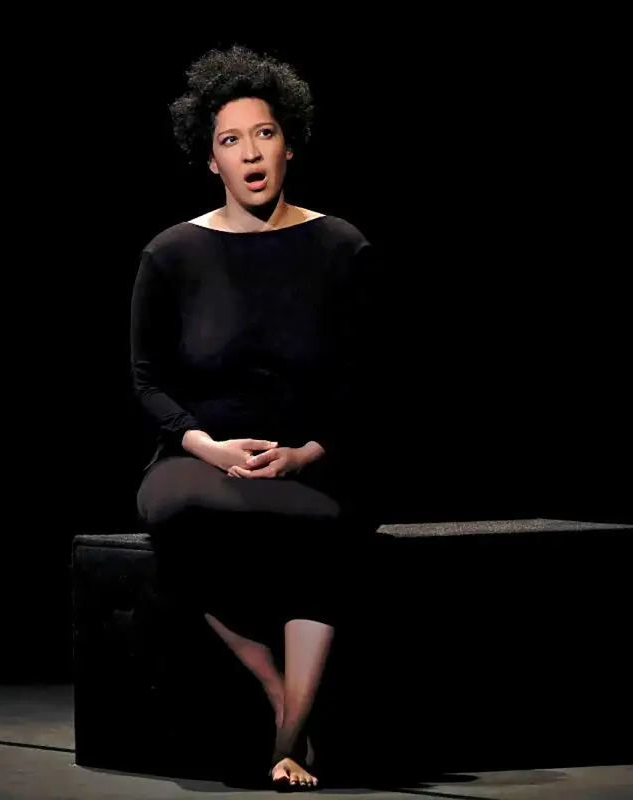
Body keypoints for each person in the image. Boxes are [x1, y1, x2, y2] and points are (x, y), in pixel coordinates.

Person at [130, 45, 386, 790]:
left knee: (327, 534)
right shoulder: (171, 253)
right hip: (204, 457)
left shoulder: (342, 247)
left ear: (290, 142)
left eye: (264, 133)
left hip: (313, 455)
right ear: (210, 160)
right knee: (175, 511)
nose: (251, 153)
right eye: (231, 139)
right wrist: (207, 448)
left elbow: (366, 380)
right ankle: (279, 696)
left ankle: (289, 735)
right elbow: (145, 382)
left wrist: (306, 452)